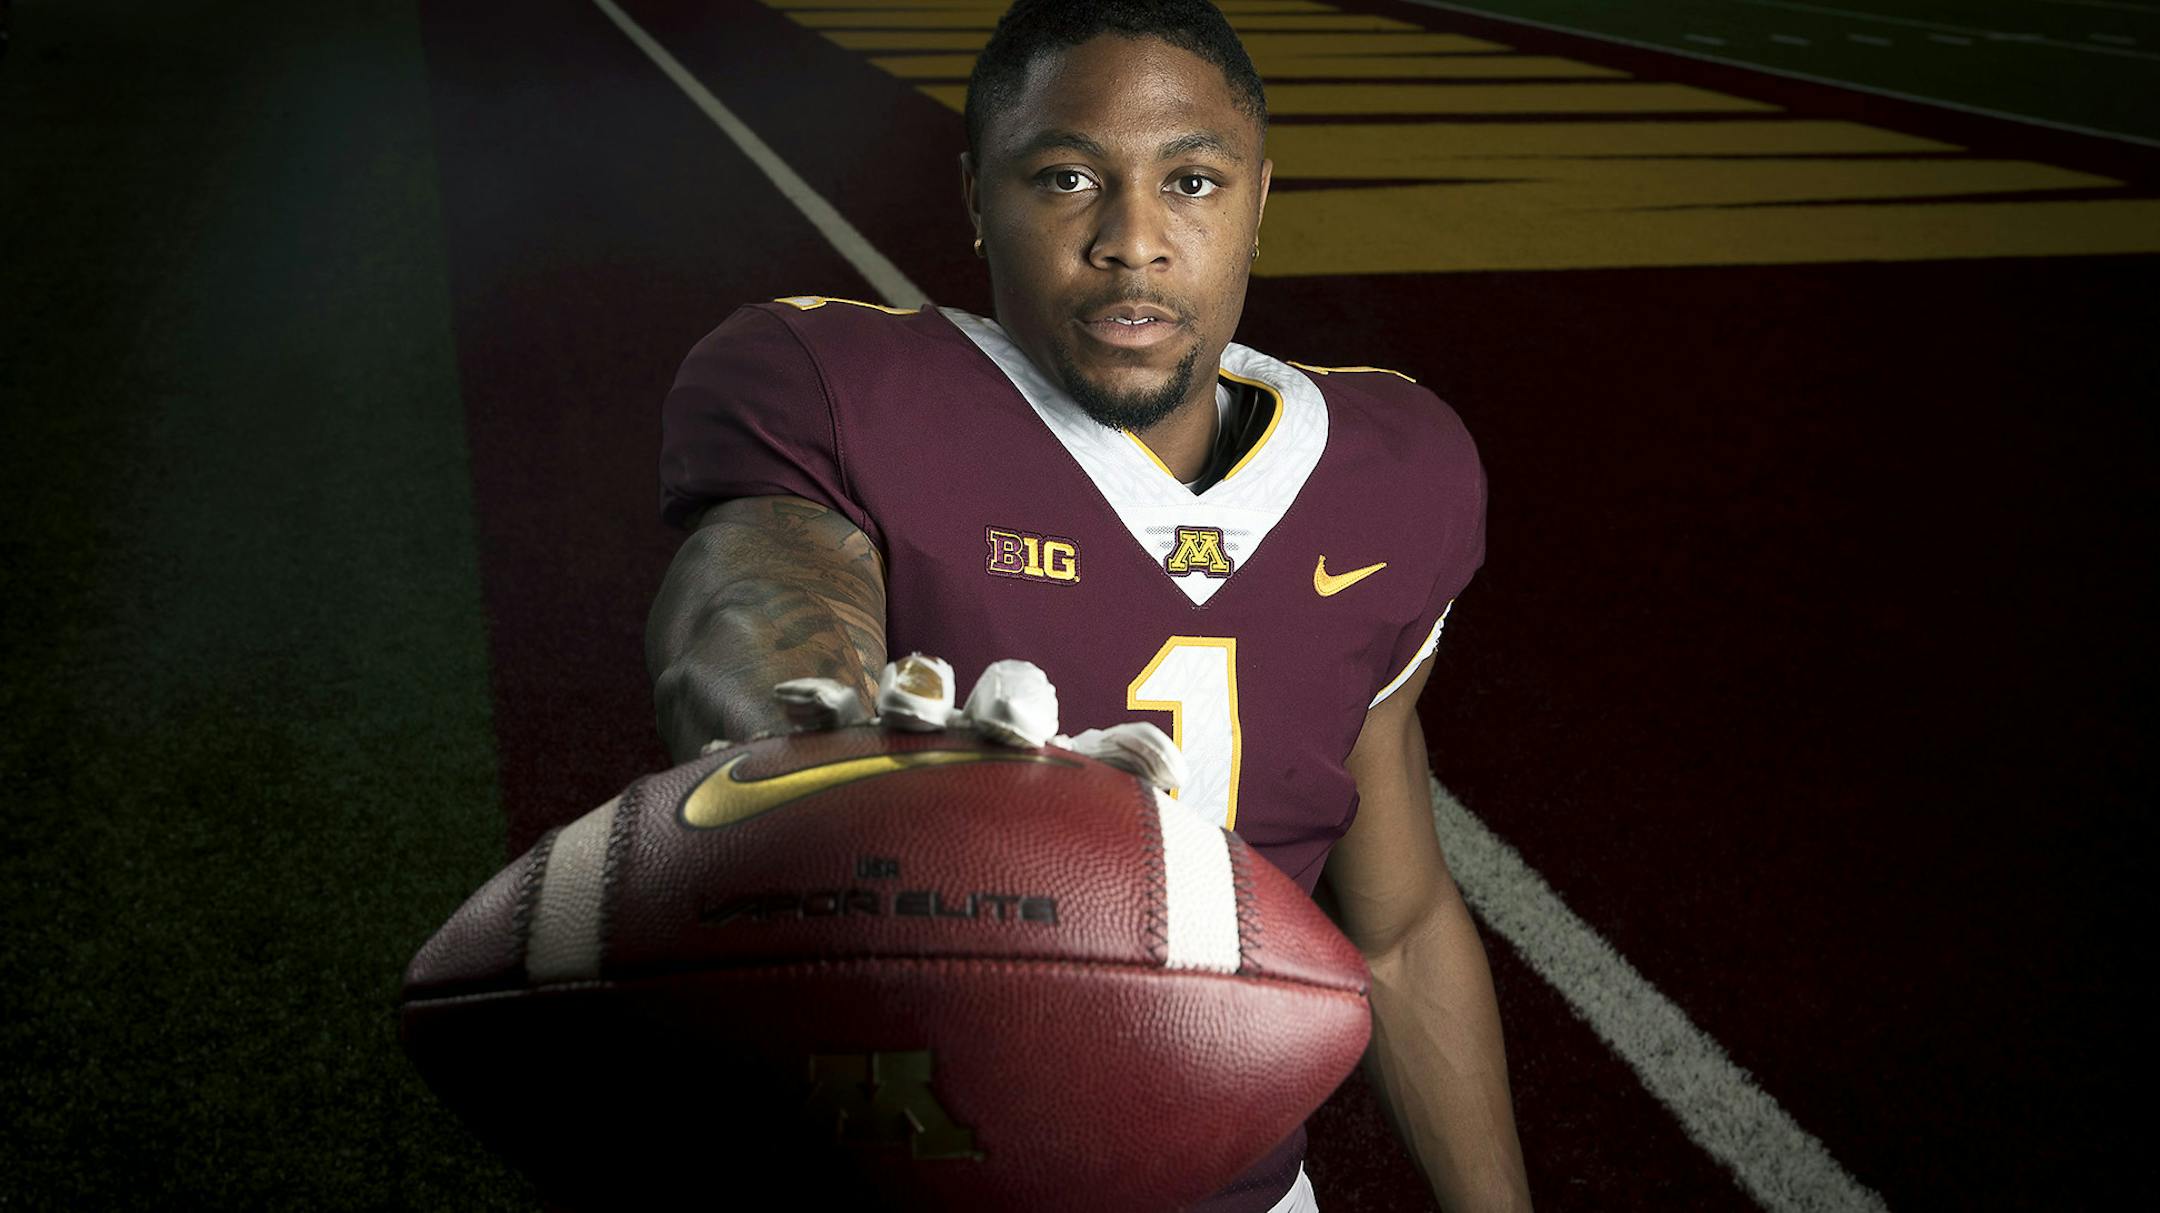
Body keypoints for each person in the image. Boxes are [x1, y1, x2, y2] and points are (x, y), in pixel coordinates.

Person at [644, 1, 1531, 1208]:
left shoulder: (1395, 469)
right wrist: (847, 756)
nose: (1133, 240)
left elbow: (1401, 924)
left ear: (1259, 201)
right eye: (1066, 177)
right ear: (975, 197)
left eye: (1193, 181)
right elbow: (751, 601)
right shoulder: (832, 384)